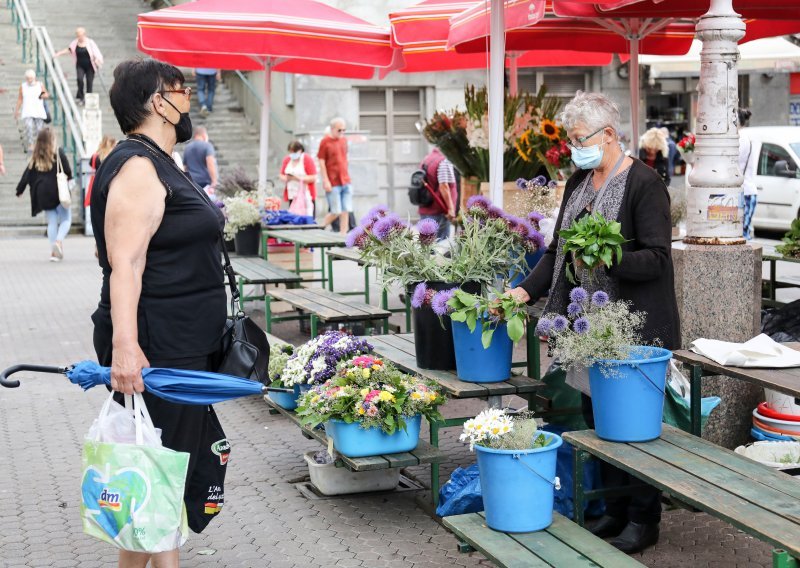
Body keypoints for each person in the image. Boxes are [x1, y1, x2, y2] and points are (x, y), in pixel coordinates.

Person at [508, 91, 680, 554]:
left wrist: (609, 255)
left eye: (578, 139)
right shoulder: (579, 183)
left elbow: (658, 260)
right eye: (569, 141)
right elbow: (555, 251)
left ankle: (644, 519)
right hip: (589, 326)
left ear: (608, 135)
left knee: (633, 427)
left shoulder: (645, 184)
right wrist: (525, 290)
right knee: (596, 417)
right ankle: (614, 510)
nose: (573, 149)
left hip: (635, 326)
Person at [90, 58, 229, 567]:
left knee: (160, 474)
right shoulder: (139, 167)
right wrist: (127, 347)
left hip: (180, 343)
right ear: (157, 102)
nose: (190, 96)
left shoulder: (161, 161)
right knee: (160, 475)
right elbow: (123, 262)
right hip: (159, 347)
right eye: (182, 89)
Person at [15, 127, 73, 262]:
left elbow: (26, 174)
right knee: (66, 220)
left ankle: (54, 253)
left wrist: (20, 190)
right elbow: (68, 171)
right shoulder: (58, 153)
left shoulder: (35, 157)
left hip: (42, 194)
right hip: (58, 193)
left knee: (52, 222)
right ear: (52, 139)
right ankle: (58, 242)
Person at [318, 117, 353, 234]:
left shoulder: (344, 140)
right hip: (332, 181)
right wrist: (325, 180)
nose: (342, 132)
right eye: (339, 130)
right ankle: (318, 227)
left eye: (344, 130)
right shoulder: (325, 142)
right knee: (336, 211)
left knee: (346, 210)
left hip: (345, 180)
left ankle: (344, 237)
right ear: (332, 129)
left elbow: (345, 157)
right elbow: (321, 161)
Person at [54, 27, 103, 105]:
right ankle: (80, 97)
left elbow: (97, 52)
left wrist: (98, 60)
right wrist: (59, 53)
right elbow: (69, 50)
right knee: (79, 79)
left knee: (89, 82)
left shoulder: (90, 42)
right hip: (80, 65)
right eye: (78, 35)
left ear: (84, 34)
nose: (79, 37)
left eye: (81, 35)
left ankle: (88, 100)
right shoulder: (75, 43)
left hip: (90, 66)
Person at [417, 147, 456, 241]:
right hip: (439, 211)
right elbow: (444, 186)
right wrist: (450, 209)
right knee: (441, 247)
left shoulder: (426, 159)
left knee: (427, 245)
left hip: (426, 209)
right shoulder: (443, 161)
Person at [279, 141, 317, 217]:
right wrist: (287, 178)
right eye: (291, 152)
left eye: (295, 152)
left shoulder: (306, 159)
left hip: (306, 194)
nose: (293, 154)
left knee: (307, 216)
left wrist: (298, 178)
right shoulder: (287, 160)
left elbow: (313, 177)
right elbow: (281, 175)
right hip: (292, 194)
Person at [14, 69, 49, 151]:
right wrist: (17, 110)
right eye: (28, 78)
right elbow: (20, 99)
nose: (29, 80)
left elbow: (45, 94)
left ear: (34, 78)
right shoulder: (23, 86)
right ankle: (31, 143)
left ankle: (38, 144)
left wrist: (42, 95)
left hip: (38, 110)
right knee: (28, 126)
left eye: (31, 78)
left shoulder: (40, 85)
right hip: (28, 110)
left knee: (39, 129)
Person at [739, 108, 758, 240]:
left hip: (744, 191)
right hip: (746, 191)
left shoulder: (741, 138)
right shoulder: (746, 137)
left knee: (742, 237)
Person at [183, 126, 218, 194]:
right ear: (204, 135)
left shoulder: (187, 147)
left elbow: (184, 167)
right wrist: (214, 181)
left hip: (191, 182)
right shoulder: (207, 146)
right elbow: (210, 163)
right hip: (205, 182)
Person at [85, 135, 117, 208]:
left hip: (97, 183)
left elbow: (90, 164)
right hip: (109, 183)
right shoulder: (112, 155)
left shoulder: (95, 156)